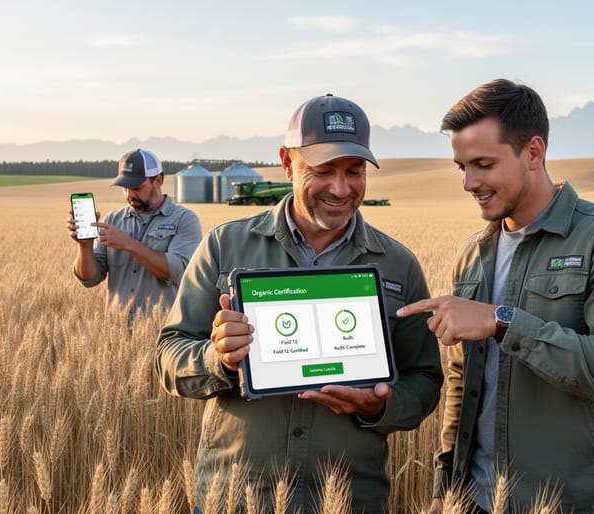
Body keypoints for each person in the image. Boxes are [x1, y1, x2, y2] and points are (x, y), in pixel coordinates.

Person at [156, 94, 443, 513]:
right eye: (323, 170)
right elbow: (169, 355)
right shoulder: (224, 246)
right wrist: (221, 359)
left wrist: (382, 405)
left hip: (349, 499)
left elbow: (424, 379)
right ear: (287, 164)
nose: (341, 188)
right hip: (238, 496)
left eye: (355, 171)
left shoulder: (399, 265)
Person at [397, 79, 594, 513]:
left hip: (573, 504)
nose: (468, 182)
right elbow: (464, 381)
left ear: (533, 153)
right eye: (461, 167)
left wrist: (504, 322)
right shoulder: (472, 255)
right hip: (475, 500)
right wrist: (445, 486)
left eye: (483, 164)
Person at [68, 148, 203, 316]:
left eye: (137, 187)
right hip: (116, 333)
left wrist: (128, 244)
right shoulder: (112, 220)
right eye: (124, 188)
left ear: (158, 181)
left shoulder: (185, 219)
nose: (130, 194)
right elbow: (89, 279)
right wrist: (85, 246)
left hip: (163, 332)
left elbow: (178, 272)